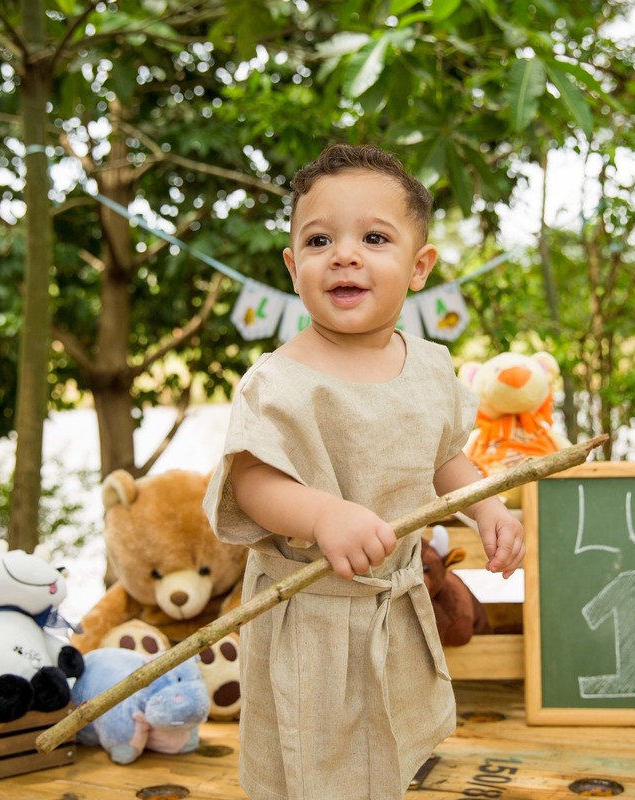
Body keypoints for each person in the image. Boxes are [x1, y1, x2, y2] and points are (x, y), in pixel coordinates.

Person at [203, 143, 524, 799]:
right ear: (294, 267)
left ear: (418, 266)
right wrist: (323, 514)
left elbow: (442, 457)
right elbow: (253, 483)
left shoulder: (431, 366)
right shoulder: (281, 383)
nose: (344, 254)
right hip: (311, 613)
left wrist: (487, 505)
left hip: (393, 605)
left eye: (374, 237)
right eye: (320, 240)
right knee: (311, 762)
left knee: (386, 752)